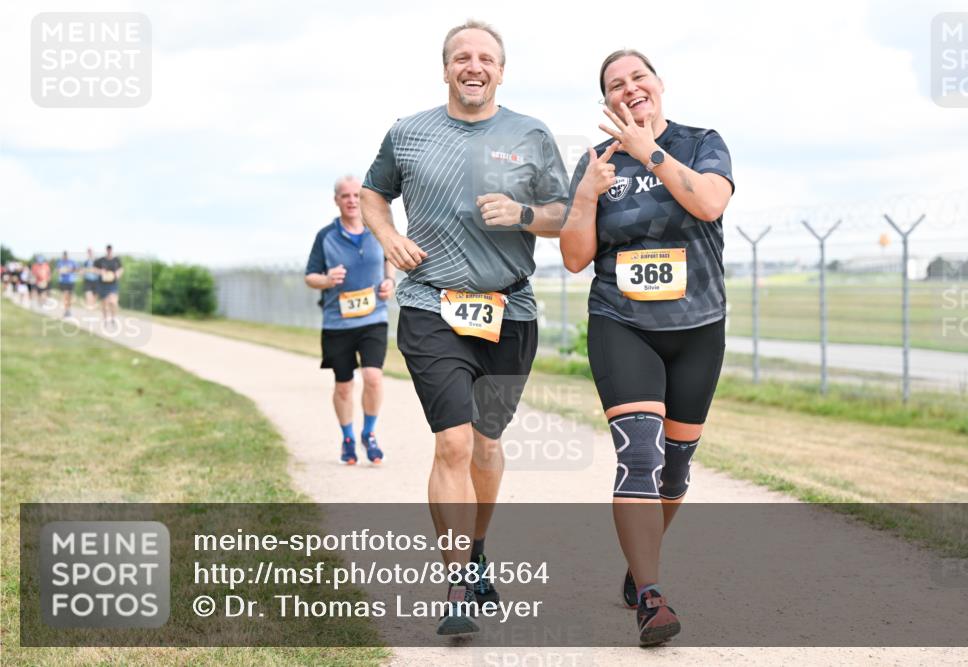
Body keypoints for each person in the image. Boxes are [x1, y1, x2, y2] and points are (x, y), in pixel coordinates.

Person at [360, 19, 569, 635]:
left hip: (511, 312)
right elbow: (375, 193)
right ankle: (455, 584)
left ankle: (475, 551)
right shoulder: (409, 132)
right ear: (445, 67)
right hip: (430, 306)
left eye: (485, 58)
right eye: (461, 57)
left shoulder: (530, 134)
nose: (472, 66)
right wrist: (389, 236)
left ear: (501, 71)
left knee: (486, 444)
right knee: (452, 442)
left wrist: (524, 213)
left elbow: (566, 214)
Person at [560, 49, 734, 646]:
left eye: (638, 78)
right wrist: (585, 195)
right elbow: (576, 257)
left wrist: (649, 154)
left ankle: (639, 567)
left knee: (677, 468)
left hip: (698, 327)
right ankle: (653, 598)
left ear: (658, 85)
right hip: (621, 321)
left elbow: (710, 202)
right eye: (615, 85)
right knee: (640, 455)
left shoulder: (700, 141)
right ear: (605, 101)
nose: (629, 89)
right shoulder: (594, 161)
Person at [305, 176, 395, 465]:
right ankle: (347, 437)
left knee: (373, 377)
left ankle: (368, 434)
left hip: (373, 318)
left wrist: (389, 281)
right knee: (344, 385)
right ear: (337, 200)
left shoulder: (376, 228)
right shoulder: (326, 237)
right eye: (346, 196)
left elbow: (389, 257)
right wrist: (327, 279)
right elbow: (310, 276)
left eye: (357, 195)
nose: (352, 200)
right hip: (338, 322)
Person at [94, 244, 123, 325]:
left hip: (113, 284)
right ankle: (105, 319)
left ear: (112, 250)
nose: (109, 251)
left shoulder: (116, 260)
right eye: (108, 249)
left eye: (110, 250)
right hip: (103, 285)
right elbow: (94, 268)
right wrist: (100, 272)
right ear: (106, 250)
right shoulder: (101, 260)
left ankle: (113, 318)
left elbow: (121, 269)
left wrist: (118, 274)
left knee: (113, 302)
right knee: (105, 304)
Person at [55, 251, 79, 318]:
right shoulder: (60, 262)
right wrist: (61, 271)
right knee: (65, 295)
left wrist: (70, 270)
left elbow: (76, 269)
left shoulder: (72, 262)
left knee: (70, 297)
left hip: (71, 281)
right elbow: (57, 270)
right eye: (64, 255)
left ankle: (69, 309)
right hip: (63, 281)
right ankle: (66, 310)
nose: (65, 257)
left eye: (66, 255)